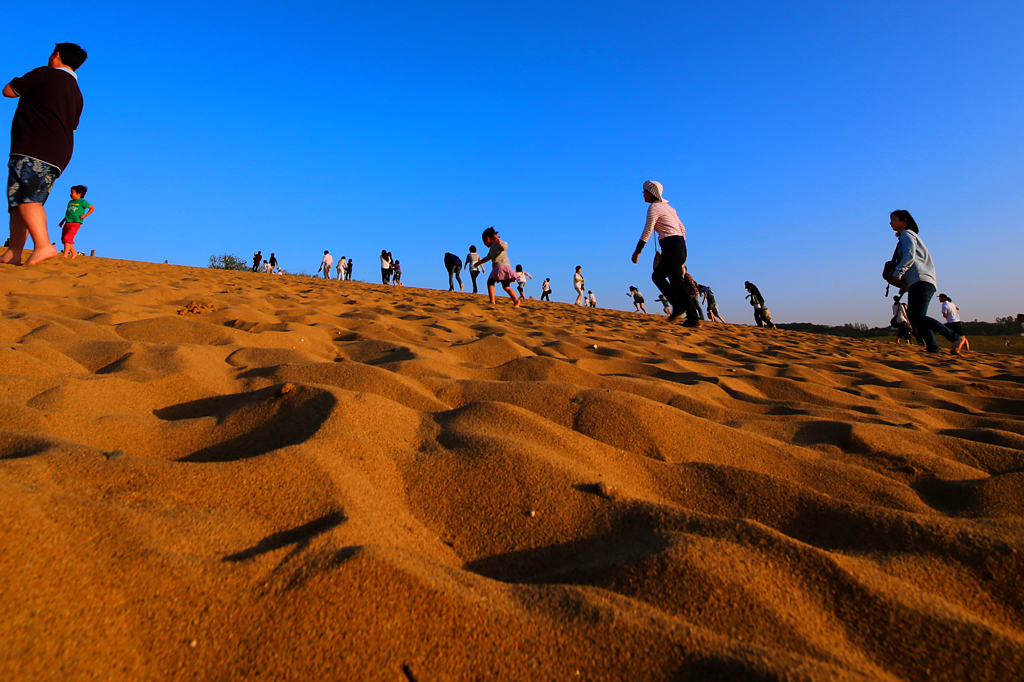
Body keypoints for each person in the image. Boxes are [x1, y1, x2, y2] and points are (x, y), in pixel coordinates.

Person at [3, 43, 88, 267]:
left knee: (24, 198)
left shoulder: (45, 74)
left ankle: (42, 245)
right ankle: (14, 252)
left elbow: (8, 91)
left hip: (33, 146)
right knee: (24, 201)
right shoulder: (77, 94)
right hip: (59, 153)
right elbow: (73, 126)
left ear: (56, 55)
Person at [886, 210, 968, 355]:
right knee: (915, 317)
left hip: (921, 281)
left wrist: (898, 271)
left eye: (893, 219)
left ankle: (954, 337)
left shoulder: (907, 234)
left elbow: (909, 255)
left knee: (917, 316)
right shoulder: (908, 236)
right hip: (919, 282)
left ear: (904, 220)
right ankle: (933, 348)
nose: (890, 222)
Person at [631, 181, 699, 326]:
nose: (643, 193)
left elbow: (648, 230)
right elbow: (683, 228)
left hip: (672, 246)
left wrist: (638, 251)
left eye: (645, 191)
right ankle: (692, 317)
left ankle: (682, 308)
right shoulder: (670, 208)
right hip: (679, 246)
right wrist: (680, 247)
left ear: (652, 192)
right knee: (675, 281)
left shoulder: (654, 208)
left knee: (659, 276)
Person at [474, 227, 520, 308]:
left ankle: (492, 301)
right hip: (506, 268)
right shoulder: (493, 247)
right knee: (506, 287)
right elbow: (488, 257)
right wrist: (479, 263)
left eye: (484, 242)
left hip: (499, 268)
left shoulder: (496, 244)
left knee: (490, 283)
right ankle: (516, 300)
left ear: (487, 239)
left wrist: (499, 241)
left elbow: (505, 246)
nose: (484, 244)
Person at [57, 184, 92, 259]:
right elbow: (68, 212)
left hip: (76, 223)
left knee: (67, 238)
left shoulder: (82, 202)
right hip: (67, 222)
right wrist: (62, 221)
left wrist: (85, 215)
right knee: (64, 239)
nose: (70, 194)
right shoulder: (70, 202)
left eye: (72, 192)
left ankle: (65, 254)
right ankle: (74, 253)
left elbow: (92, 208)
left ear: (79, 194)